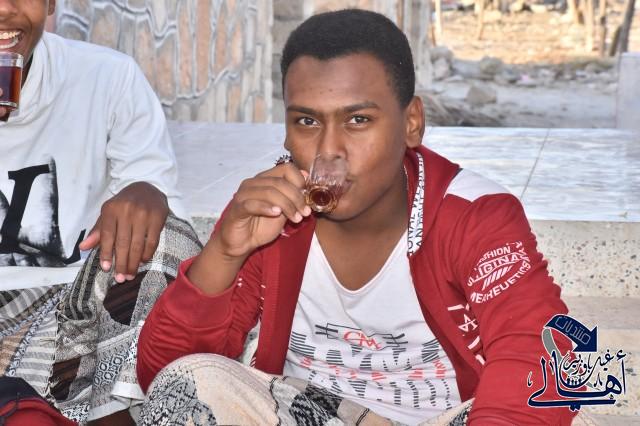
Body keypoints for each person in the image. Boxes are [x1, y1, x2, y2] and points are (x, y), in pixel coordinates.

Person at [136, 9, 580, 426]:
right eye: (307, 122)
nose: (329, 150)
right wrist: (224, 253)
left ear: (411, 123)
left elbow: (539, 349)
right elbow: (164, 379)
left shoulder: (473, 215)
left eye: (358, 120)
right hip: (307, 412)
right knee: (192, 384)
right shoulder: (270, 211)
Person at [0, 0, 201, 424]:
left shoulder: (106, 78)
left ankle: (105, 412)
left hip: (67, 315)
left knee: (166, 239)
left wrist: (145, 193)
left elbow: (163, 227)